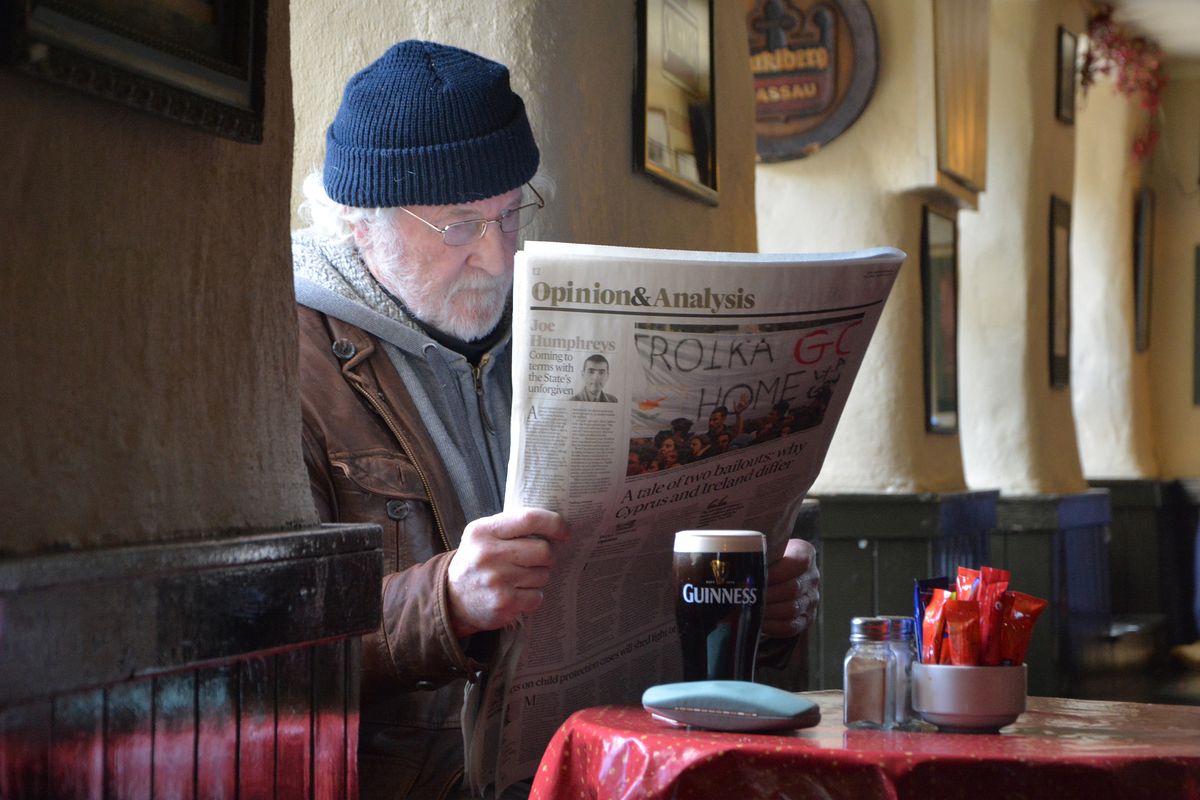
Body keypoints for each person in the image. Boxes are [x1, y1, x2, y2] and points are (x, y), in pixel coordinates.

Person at [292, 39, 819, 800]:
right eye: (460, 225)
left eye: (511, 215)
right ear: (358, 222)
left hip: (598, 773)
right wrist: (447, 602)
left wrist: (754, 610)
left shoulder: (555, 324)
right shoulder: (289, 362)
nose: (499, 258)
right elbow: (273, 649)